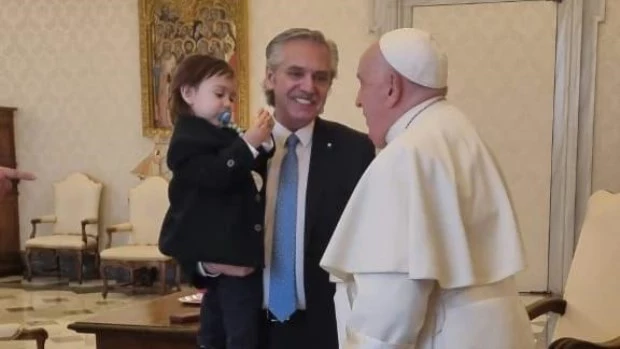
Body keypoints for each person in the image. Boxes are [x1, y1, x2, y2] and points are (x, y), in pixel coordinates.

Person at [320, 28, 536, 348]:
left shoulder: (407, 155)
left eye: (362, 82)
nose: (357, 100)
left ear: (392, 87)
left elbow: (390, 307)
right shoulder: (459, 132)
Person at [188, 28, 376, 349]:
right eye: (296, 73)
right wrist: (207, 263)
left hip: (324, 331)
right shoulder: (227, 150)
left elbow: (370, 245)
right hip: (241, 329)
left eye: (321, 77)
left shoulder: (355, 152)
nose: (309, 86)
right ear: (270, 77)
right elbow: (186, 239)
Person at [158, 54, 275, 349]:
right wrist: (248, 143)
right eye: (219, 94)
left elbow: (247, 163)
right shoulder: (187, 139)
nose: (228, 103)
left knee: (225, 319)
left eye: (232, 96)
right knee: (235, 327)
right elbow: (218, 174)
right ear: (188, 93)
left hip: (233, 248)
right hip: (218, 247)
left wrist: (263, 143)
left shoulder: (222, 133)